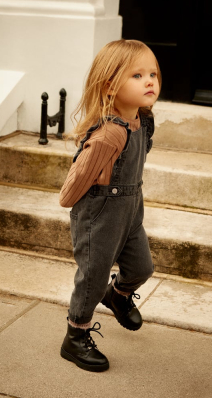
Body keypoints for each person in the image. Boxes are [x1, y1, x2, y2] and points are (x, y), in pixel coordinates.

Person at [59, 39, 161, 372]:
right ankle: (75, 337)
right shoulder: (109, 135)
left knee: (142, 268)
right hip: (99, 217)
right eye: (137, 75)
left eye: (153, 74)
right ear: (110, 87)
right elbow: (72, 188)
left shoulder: (143, 122)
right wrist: (80, 203)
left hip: (131, 212)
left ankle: (117, 295)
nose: (149, 81)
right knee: (92, 277)